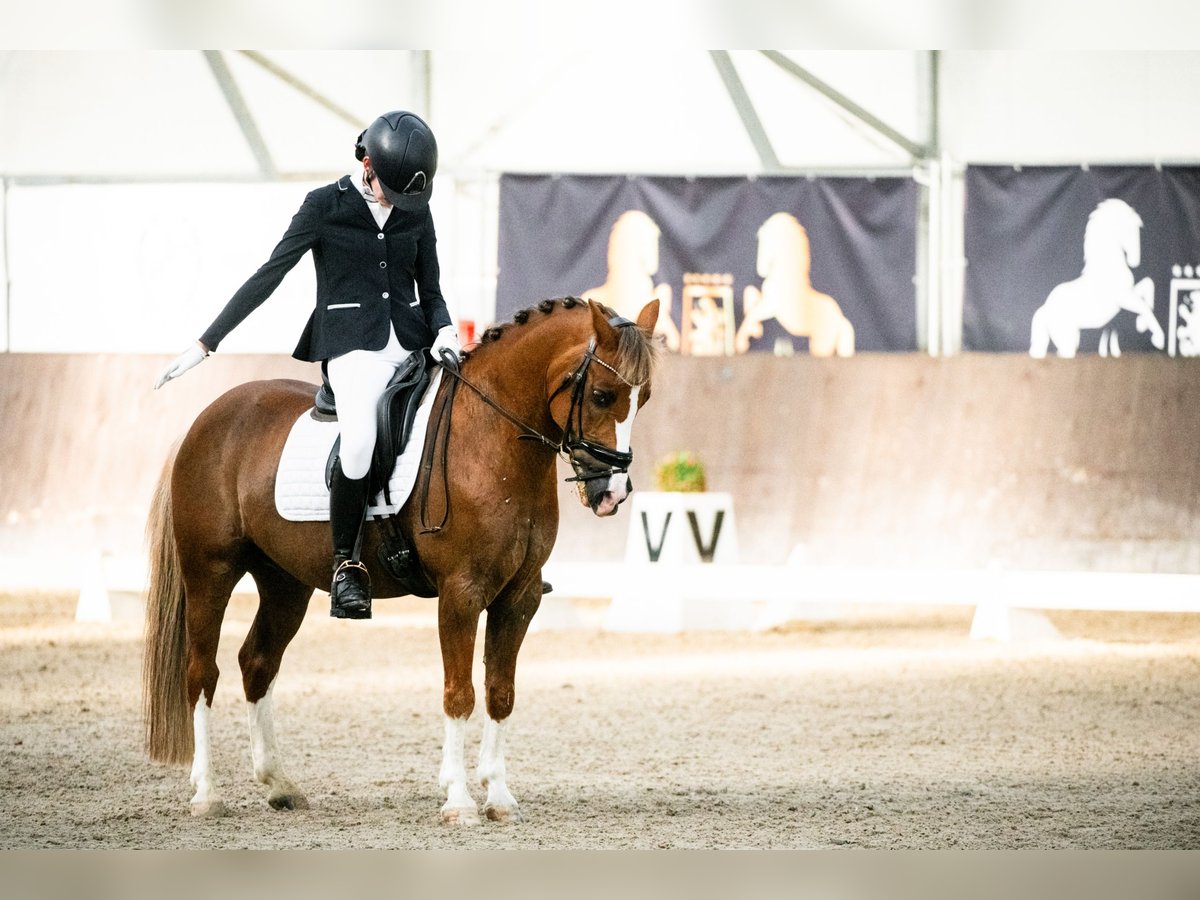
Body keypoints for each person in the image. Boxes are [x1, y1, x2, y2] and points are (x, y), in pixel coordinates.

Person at [154, 110, 460, 621]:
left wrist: (446, 328)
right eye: (389, 189)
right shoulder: (325, 206)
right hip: (352, 349)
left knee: (463, 416)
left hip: (413, 344)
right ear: (367, 163)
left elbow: (429, 289)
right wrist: (206, 342)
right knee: (360, 437)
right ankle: (346, 565)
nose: (395, 202)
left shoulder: (413, 208)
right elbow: (269, 274)